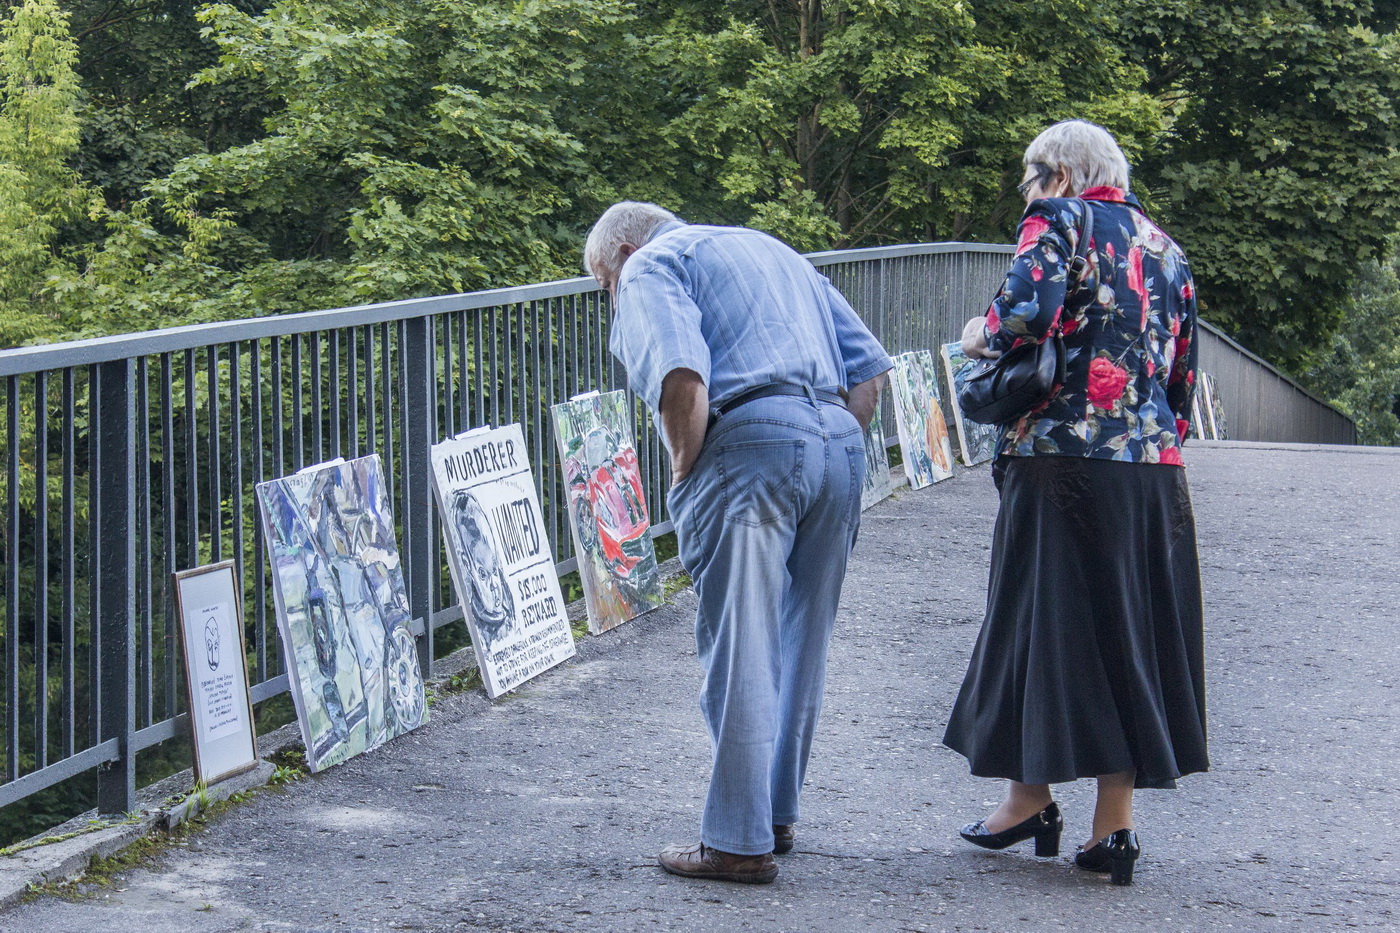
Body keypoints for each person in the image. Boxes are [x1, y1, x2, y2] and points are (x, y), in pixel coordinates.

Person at [584, 202, 892, 884]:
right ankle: (775, 813)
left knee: (742, 644)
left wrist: (685, 469)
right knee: (801, 638)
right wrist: (832, 441)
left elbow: (681, 378)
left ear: (623, 254)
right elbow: (868, 371)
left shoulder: (650, 267)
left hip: (751, 443)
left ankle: (736, 841)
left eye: (604, 284)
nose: (612, 297)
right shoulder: (772, 250)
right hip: (837, 443)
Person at [942, 120, 1208, 886]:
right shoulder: (1166, 248)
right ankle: (1111, 829)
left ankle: (1029, 798)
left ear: (1056, 173)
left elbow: (1028, 312)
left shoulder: (1058, 217)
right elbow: (1182, 376)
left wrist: (977, 336)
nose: (1024, 198)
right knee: (1127, 631)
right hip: (1153, 469)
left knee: (1041, 624)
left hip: (1061, 457)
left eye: (1027, 183)